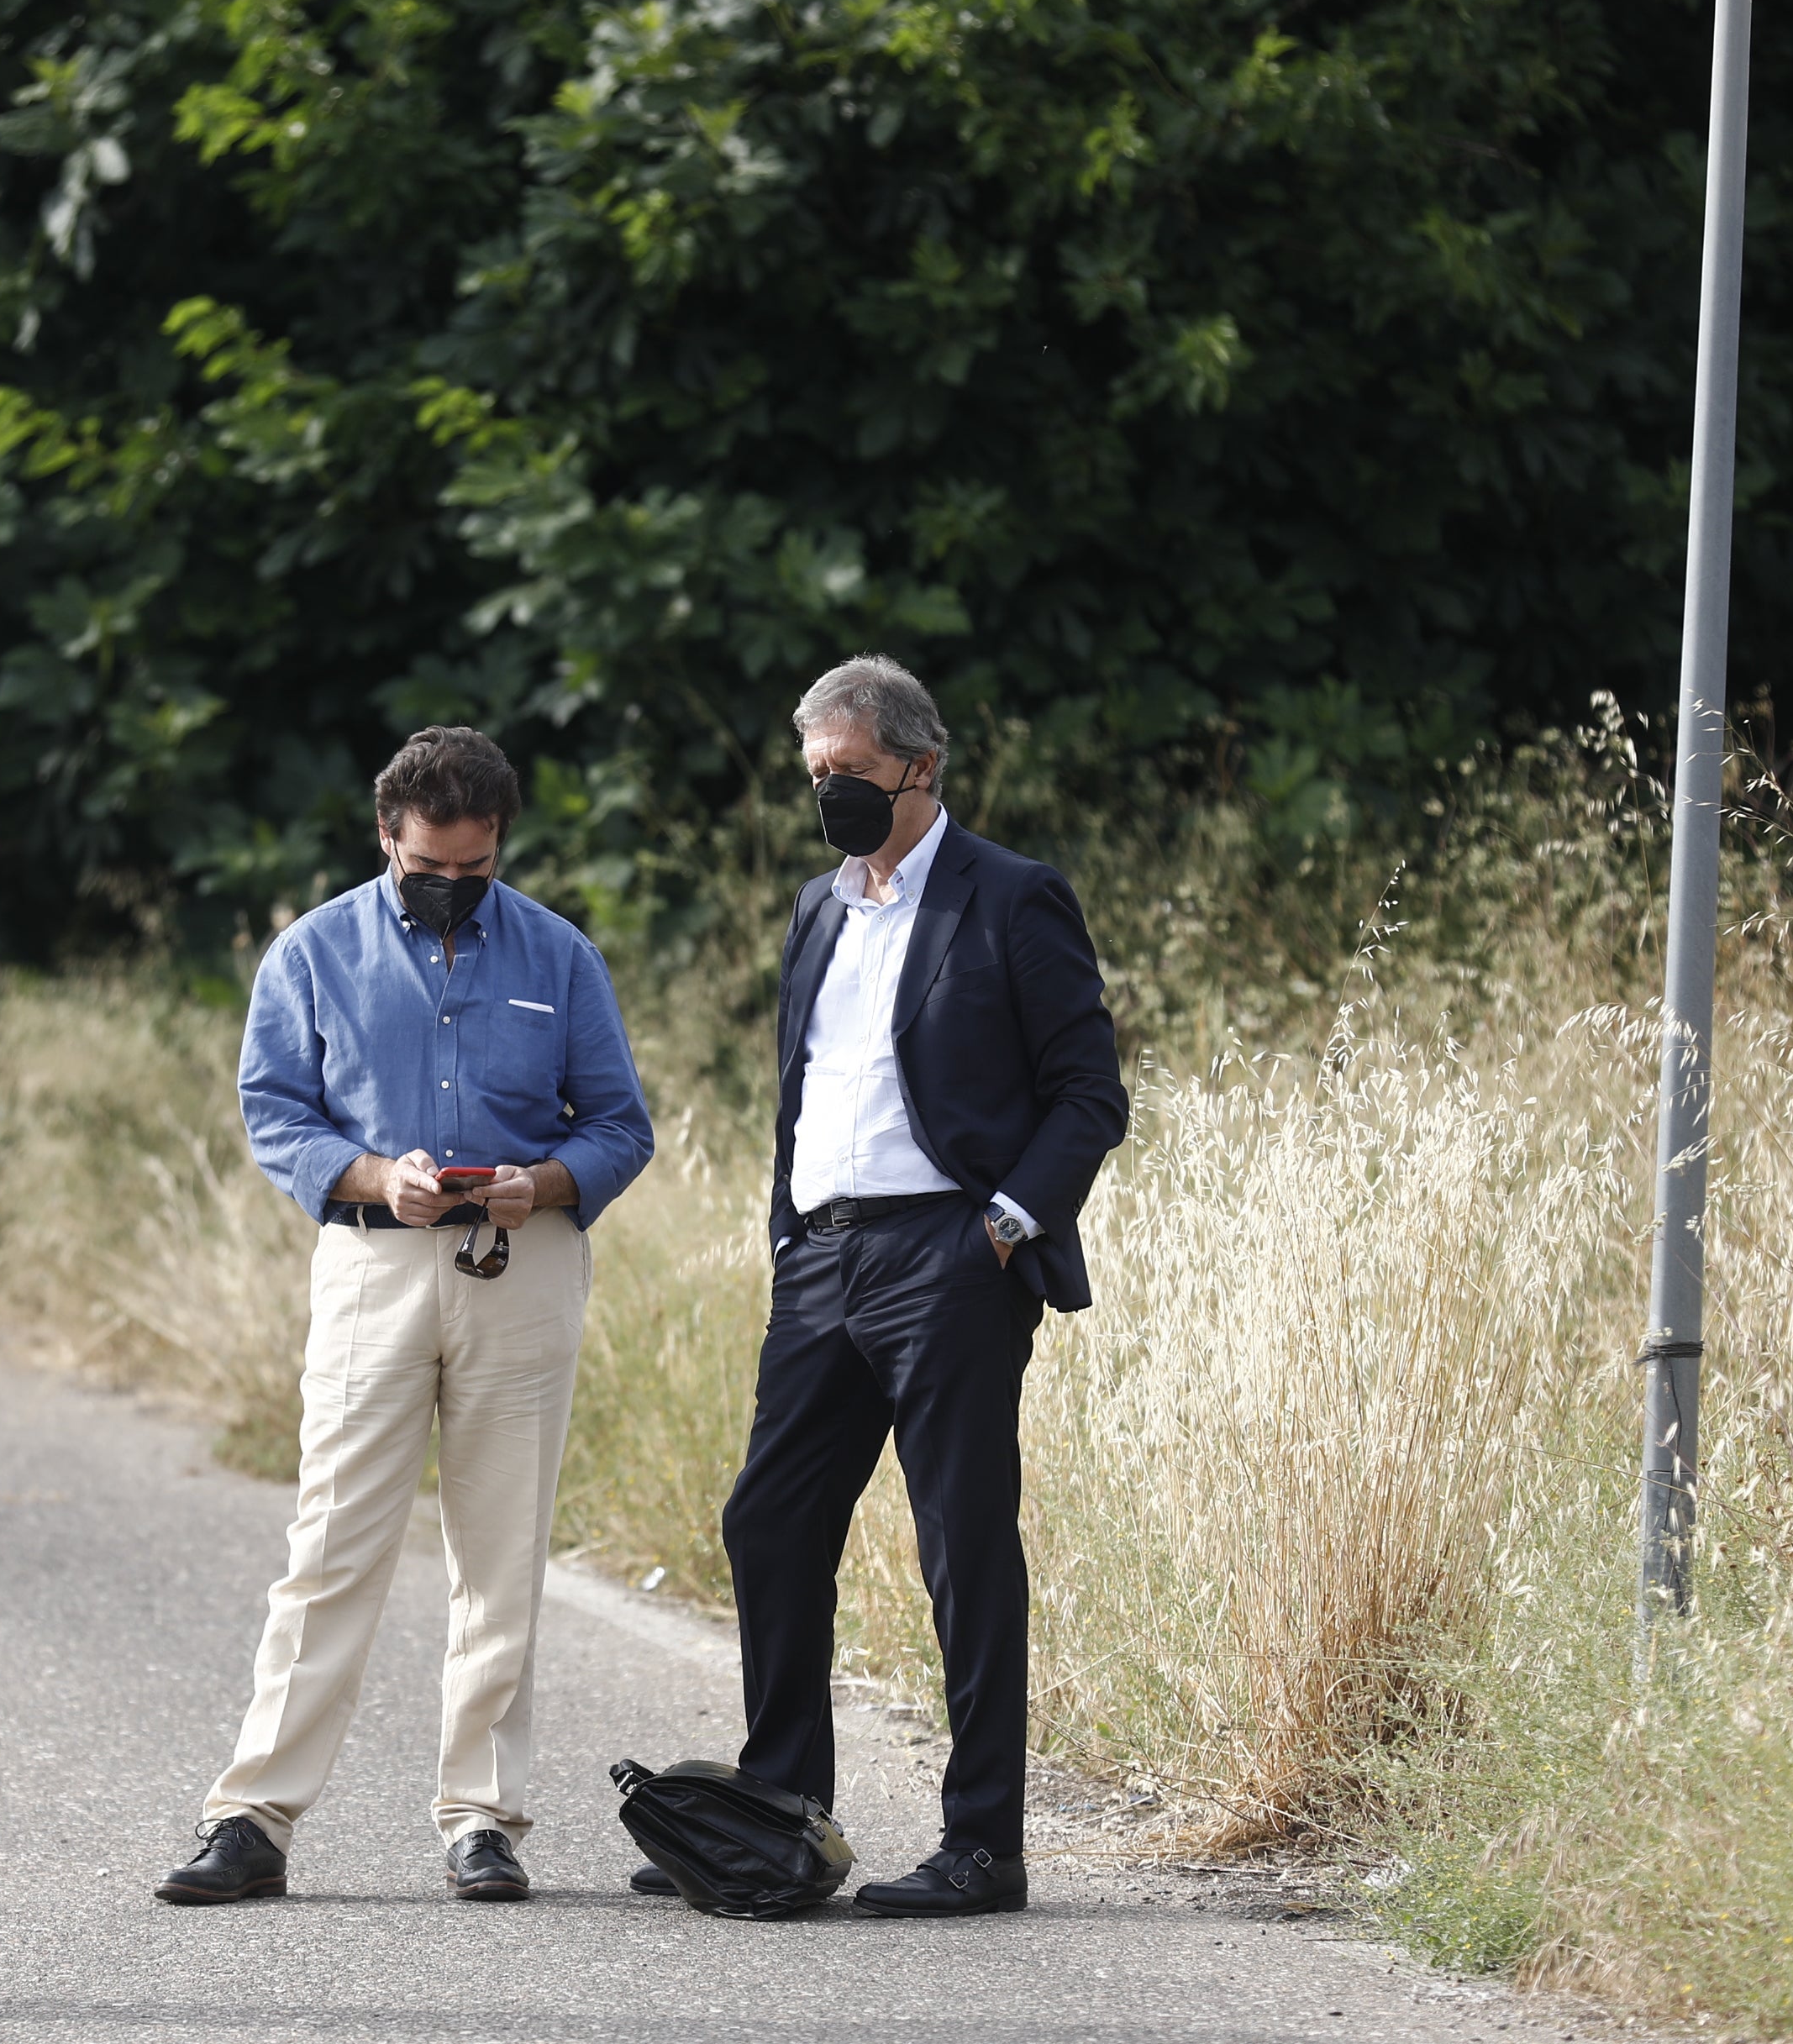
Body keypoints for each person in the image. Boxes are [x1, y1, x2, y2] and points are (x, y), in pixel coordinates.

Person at [158, 726, 656, 1906]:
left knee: (503, 1555)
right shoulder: (313, 951)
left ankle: (484, 1819)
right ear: (387, 835)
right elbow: (274, 1112)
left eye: (475, 870)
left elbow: (620, 1125)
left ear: (501, 849)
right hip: (375, 1263)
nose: (451, 888)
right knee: (331, 1547)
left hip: (520, 1259)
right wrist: (379, 1175)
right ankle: (253, 1818)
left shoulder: (561, 954)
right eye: (430, 865)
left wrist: (546, 1183)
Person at [676, 656, 1127, 1918]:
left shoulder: (1012, 899)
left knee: (960, 1545)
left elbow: (1091, 1095)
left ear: (920, 768)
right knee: (769, 1521)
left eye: (854, 777)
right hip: (821, 1261)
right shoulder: (819, 911)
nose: (832, 798)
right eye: (818, 777)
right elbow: (801, 1092)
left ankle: (983, 1847)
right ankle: (780, 1813)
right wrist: (785, 1238)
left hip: (950, 1257)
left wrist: (1003, 1225)